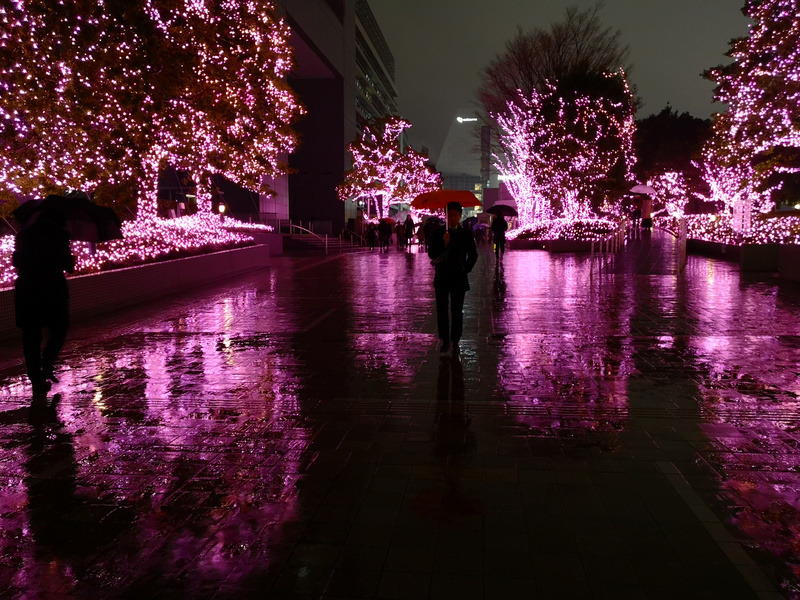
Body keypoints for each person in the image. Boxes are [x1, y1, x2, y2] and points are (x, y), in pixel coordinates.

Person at [13, 208, 75, 394]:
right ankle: (47, 362)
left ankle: (36, 379)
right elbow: (68, 266)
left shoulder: (23, 235)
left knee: (30, 337)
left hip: (27, 290)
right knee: (59, 328)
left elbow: (16, 261)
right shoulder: (60, 235)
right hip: (53, 289)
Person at [428, 202, 478, 353]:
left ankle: (456, 339)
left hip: (458, 277)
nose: (453, 218)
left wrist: (465, 269)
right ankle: (444, 339)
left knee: (457, 310)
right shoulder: (439, 232)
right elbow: (431, 253)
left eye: (455, 215)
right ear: (446, 216)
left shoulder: (466, 233)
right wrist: (443, 243)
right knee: (441, 309)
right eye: (450, 215)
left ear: (460, 216)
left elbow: (473, 254)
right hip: (442, 276)